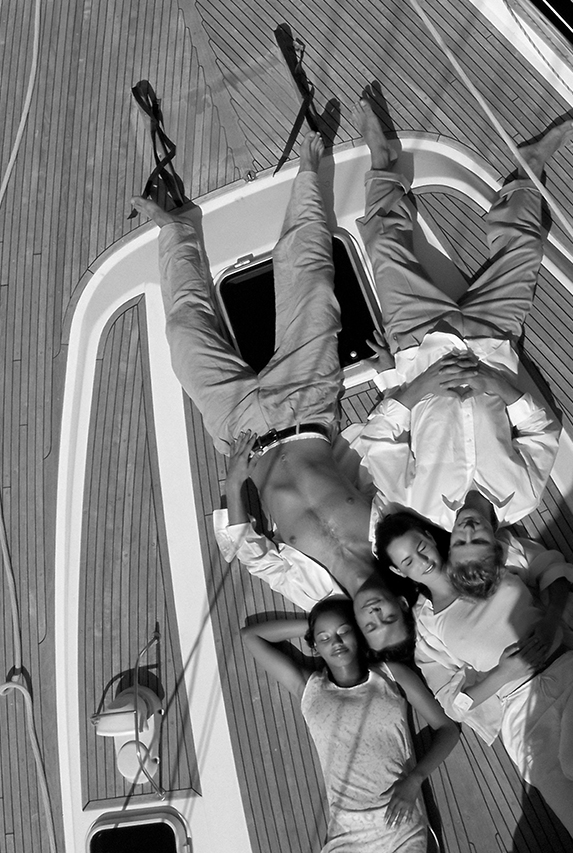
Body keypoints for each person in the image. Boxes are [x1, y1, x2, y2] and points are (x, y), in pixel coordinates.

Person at [133, 132, 406, 650]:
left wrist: (235, 484)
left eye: (371, 627)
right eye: (389, 617)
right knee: (309, 278)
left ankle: (177, 231)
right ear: (400, 603)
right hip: (307, 404)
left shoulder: (314, 595)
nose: (376, 615)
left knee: (185, 335)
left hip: (242, 435)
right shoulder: (391, 535)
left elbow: (250, 551)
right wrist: (390, 375)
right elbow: (395, 452)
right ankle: (308, 171)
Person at [371, 512, 573, 853]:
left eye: (421, 546)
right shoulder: (427, 629)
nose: (422, 560)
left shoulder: (483, 551)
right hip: (520, 715)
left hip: (570, 673)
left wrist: (550, 621)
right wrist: (503, 674)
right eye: (408, 560)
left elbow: (551, 568)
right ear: (398, 571)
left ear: (427, 534)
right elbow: (454, 703)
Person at [345, 93, 568, 537]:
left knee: (385, 250)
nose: (467, 532)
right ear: (496, 543)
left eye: (460, 542)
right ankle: (529, 167)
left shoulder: (416, 506)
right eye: (478, 540)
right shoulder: (521, 498)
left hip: (418, 345)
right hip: (492, 342)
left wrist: (411, 385)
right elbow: (543, 431)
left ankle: (383, 161)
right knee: (525, 250)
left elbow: (376, 443)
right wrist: (497, 386)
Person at [240, 597, 460, 852]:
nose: (336, 642)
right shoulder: (309, 688)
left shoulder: (391, 675)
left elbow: (448, 730)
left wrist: (415, 780)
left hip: (399, 820)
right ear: (314, 647)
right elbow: (251, 637)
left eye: (344, 631)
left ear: (358, 632)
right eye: (324, 638)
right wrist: (313, 627)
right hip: (345, 831)